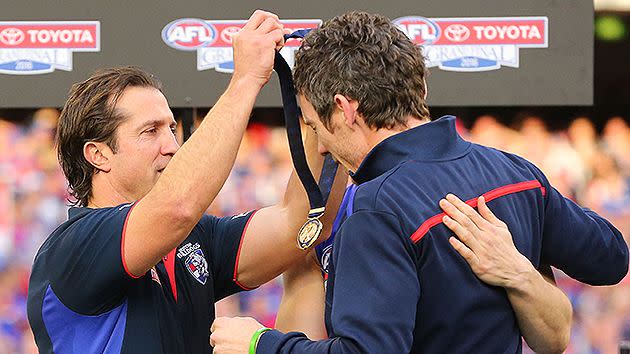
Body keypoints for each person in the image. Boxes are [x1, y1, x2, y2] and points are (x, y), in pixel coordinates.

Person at [209, 11, 629, 353]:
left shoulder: (376, 207)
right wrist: (523, 270)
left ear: (345, 108)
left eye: (315, 125)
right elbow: (612, 258)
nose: (319, 146)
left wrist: (259, 344)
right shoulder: (516, 173)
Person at [26, 10, 346, 354]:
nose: (173, 146)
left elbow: (300, 224)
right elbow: (177, 207)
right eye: (151, 132)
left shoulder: (193, 237)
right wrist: (245, 80)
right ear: (98, 155)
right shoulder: (74, 246)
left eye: (172, 129)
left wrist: (327, 104)